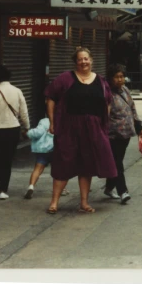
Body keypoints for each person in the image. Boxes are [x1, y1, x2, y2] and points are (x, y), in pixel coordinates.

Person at [44, 47, 117, 214]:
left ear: (91, 60)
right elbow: (50, 99)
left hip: (92, 128)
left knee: (87, 165)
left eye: (86, 59)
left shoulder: (101, 81)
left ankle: (84, 203)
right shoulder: (65, 78)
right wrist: (52, 121)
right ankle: (54, 202)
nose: (83, 62)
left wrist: (101, 124)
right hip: (68, 126)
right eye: (80, 59)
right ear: (75, 62)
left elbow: (107, 103)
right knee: (63, 162)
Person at [0, 64, 30, 200]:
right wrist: (26, 127)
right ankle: (4, 188)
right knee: (7, 159)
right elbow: (24, 112)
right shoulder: (17, 91)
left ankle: (1, 186)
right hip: (13, 129)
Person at [105, 64, 142, 205]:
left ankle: (109, 187)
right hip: (112, 133)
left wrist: (138, 125)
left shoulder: (125, 90)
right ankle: (123, 191)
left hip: (127, 132)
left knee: (117, 161)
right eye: (117, 77)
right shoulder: (107, 93)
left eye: (122, 77)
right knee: (117, 162)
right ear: (110, 78)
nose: (120, 80)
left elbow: (132, 107)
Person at [23, 116, 65, 200]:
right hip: (55, 150)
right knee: (57, 171)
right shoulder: (62, 120)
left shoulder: (44, 121)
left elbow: (38, 132)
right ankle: (61, 190)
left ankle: (31, 187)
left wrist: (28, 133)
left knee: (37, 169)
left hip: (43, 150)